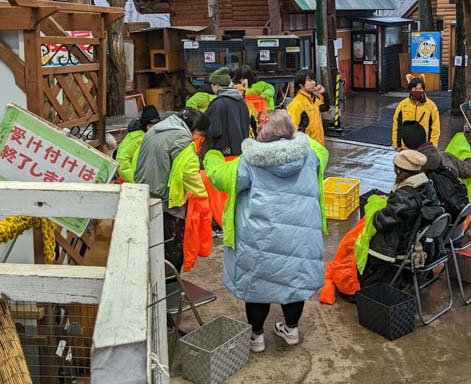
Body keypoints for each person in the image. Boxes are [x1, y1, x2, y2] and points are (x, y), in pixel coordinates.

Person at [203, 110, 328, 353]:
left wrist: (212, 156)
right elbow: (323, 151)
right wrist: (299, 135)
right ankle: (291, 330)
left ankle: (256, 338)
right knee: (295, 281)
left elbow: (220, 178)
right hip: (299, 237)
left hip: (261, 238)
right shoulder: (310, 155)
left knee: (257, 287)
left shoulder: (250, 161)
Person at [134, 108, 209, 271]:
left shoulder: (156, 129)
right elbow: (189, 171)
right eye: (198, 135)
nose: (197, 139)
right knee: (171, 250)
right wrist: (203, 195)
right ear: (193, 129)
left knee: (152, 246)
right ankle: (169, 289)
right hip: (167, 201)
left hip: (144, 193)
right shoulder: (181, 137)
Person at [360, 149, 443, 288]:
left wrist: (374, 208)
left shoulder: (403, 196)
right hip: (421, 242)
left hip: (399, 247)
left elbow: (381, 222)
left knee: (358, 239)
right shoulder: (428, 186)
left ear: (398, 170)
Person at [400, 121, 471, 221]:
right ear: (425, 137)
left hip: (430, 226)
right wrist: (467, 154)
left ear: (406, 145)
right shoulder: (446, 157)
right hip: (455, 222)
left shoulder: (410, 172)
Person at [201, 66, 251, 157]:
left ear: (216, 85)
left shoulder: (218, 104)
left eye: (212, 84)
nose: (211, 87)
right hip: (241, 153)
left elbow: (213, 131)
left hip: (225, 156)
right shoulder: (241, 101)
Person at [392, 76, 440, 150]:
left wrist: (432, 147)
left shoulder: (431, 106)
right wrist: (397, 145)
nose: (417, 91)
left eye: (420, 89)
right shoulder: (403, 105)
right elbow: (397, 126)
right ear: (410, 89)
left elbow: (435, 128)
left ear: (423, 90)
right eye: (415, 88)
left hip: (424, 147)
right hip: (405, 147)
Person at [115, 105, 160, 182]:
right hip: (135, 181)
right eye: (149, 126)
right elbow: (122, 160)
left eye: (155, 126)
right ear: (144, 125)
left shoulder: (155, 136)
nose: (152, 129)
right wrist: (133, 181)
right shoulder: (134, 138)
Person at [286, 69, 330, 145]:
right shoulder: (296, 104)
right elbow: (292, 130)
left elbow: (326, 107)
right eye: (309, 80)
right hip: (307, 148)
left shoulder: (314, 99)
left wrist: (324, 93)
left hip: (319, 145)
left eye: (313, 80)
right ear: (301, 84)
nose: (313, 83)